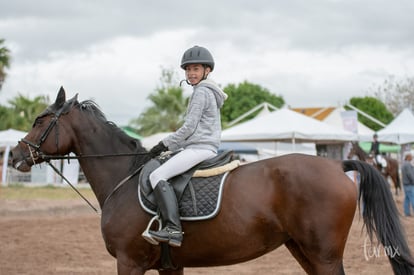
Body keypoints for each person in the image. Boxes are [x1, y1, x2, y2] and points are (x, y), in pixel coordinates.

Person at [144, 46, 228, 247]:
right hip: (201, 146)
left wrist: (163, 144)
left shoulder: (201, 92)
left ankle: (173, 229)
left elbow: (189, 128)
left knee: (156, 176)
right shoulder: (208, 91)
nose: (191, 73)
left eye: (196, 69)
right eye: (188, 69)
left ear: (207, 71)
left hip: (199, 147)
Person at [401, 153, 414, 217]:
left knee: (407, 199)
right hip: (409, 184)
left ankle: (407, 213)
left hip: (405, 184)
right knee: (412, 198)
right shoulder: (408, 164)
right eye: (411, 157)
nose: (412, 158)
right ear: (408, 157)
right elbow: (410, 175)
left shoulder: (404, 164)